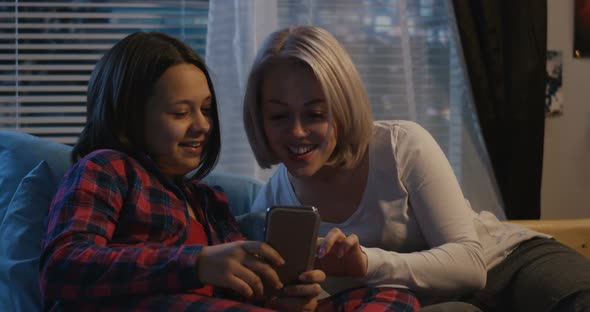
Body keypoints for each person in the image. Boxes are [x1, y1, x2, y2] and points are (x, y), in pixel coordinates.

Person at [243, 25, 590, 311]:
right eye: (279, 116)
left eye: (315, 114)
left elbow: (471, 263)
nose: (297, 131)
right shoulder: (274, 202)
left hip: (508, 264)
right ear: (259, 119)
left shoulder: (400, 145)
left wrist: (365, 263)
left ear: (343, 107)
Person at [39, 31, 325, 312]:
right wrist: (196, 263)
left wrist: (278, 297)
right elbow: (63, 266)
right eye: (181, 113)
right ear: (129, 117)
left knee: (361, 297)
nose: (203, 125)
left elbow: (238, 290)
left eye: (206, 109)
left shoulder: (208, 200)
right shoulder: (107, 168)